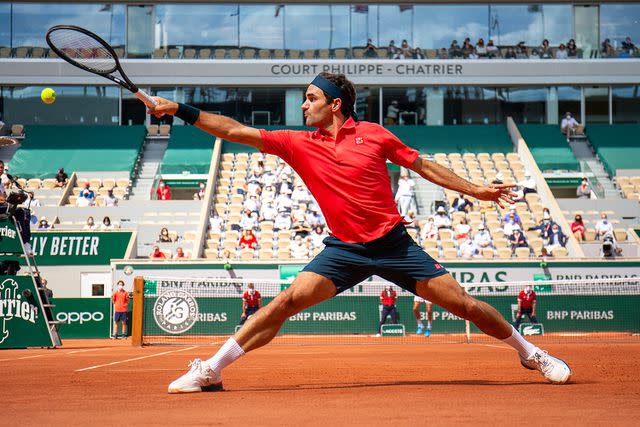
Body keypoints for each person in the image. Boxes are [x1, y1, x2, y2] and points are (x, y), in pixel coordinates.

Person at [149, 71, 571, 393]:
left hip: (393, 246)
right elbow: (232, 129)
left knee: (466, 305)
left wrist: (475, 188)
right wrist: (180, 110)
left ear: (334, 105)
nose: (303, 106)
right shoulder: (297, 143)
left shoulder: (374, 135)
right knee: (284, 303)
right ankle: (211, 370)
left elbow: (422, 165)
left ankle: (532, 354)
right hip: (344, 251)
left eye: (310, 99)